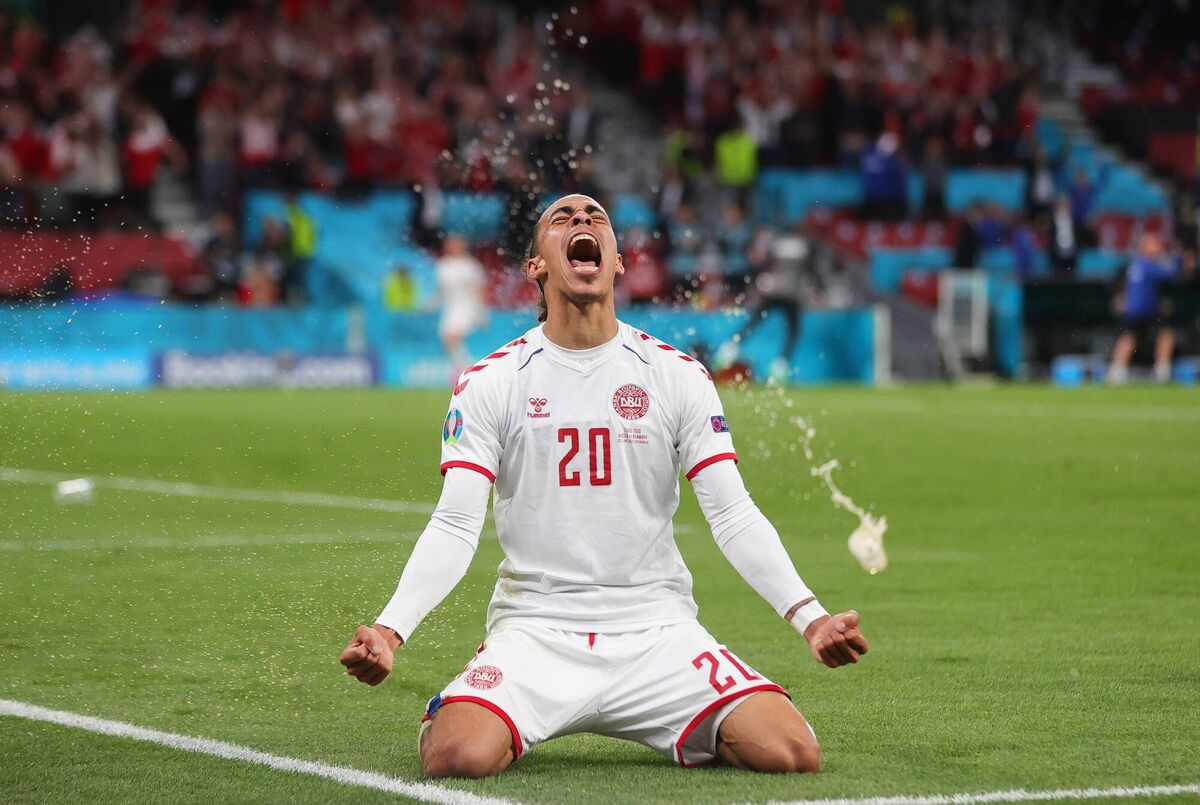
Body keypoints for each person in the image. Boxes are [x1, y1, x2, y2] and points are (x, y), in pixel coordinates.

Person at [339, 194, 868, 777]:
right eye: (562, 220)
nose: (582, 222)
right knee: (458, 755)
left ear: (618, 261)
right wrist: (391, 630)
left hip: (659, 631)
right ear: (537, 265)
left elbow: (733, 514)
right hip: (536, 631)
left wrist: (810, 618)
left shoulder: (676, 374)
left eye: (596, 218)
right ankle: (465, 708)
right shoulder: (490, 381)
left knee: (792, 753)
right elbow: (457, 523)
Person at [1107, 233, 1185, 384]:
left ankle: (1115, 373)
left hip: (1135, 311)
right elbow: (1171, 273)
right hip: (1144, 310)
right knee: (1164, 336)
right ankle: (1162, 373)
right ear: (1145, 247)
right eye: (1154, 244)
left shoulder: (1135, 264)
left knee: (1129, 339)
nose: (1158, 247)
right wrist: (1176, 255)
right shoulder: (1147, 264)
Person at [435, 235, 488, 374]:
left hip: (467, 305)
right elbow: (441, 289)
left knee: (453, 336)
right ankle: (464, 368)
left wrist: (481, 310)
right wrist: (433, 302)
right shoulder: (443, 265)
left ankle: (466, 370)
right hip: (451, 306)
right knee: (447, 340)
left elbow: (479, 288)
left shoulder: (470, 266)